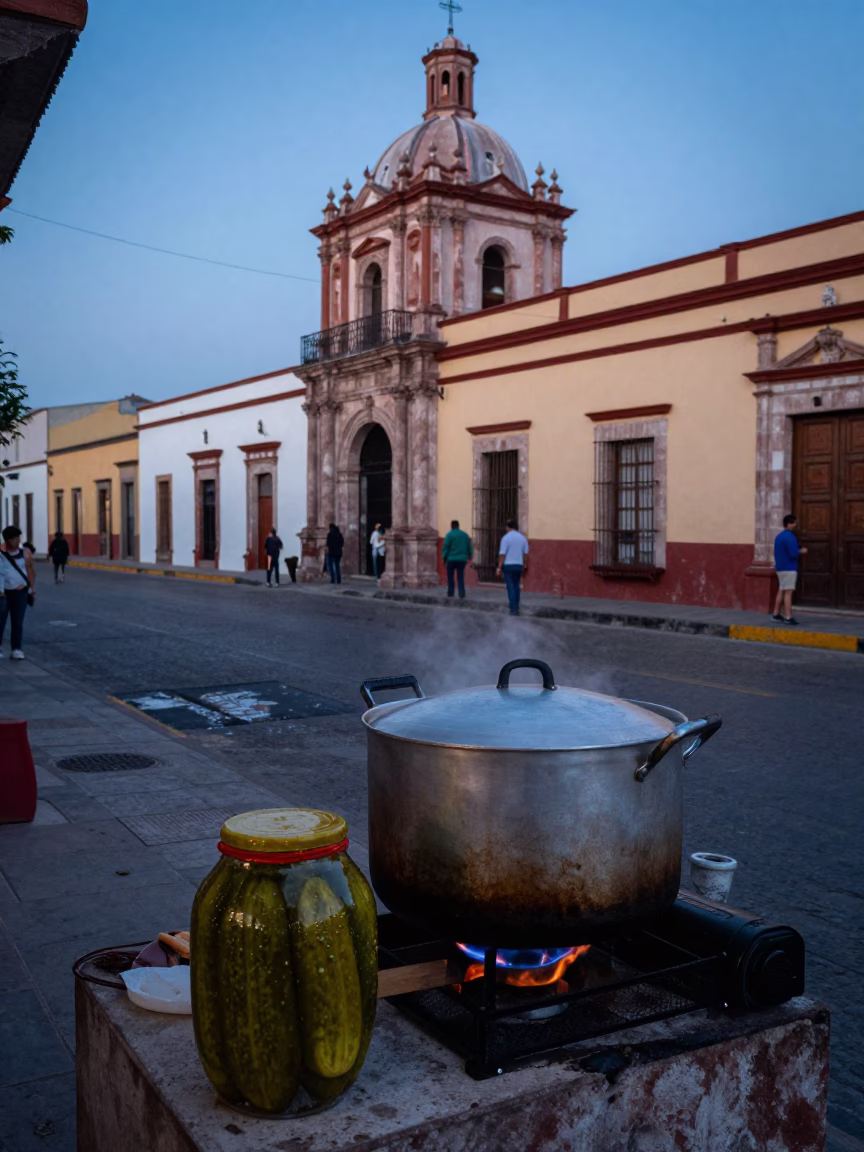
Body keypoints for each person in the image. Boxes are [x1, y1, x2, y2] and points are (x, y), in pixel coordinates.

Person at [0, 524, 35, 659]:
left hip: (20, 592)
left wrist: (32, 589)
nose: (16, 540)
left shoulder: (26, 553)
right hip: (3, 593)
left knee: (17, 621)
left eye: (17, 537)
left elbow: (30, 571)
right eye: (13, 538)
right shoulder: (1, 555)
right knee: (0, 621)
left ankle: (17, 649)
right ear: (7, 540)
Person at [773, 513, 807, 625]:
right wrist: (802, 551)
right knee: (788, 593)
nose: (795, 525)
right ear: (789, 524)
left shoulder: (778, 537)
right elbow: (793, 554)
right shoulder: (790, 537)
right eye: (794, 523)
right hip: (789, 568)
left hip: (780, 568)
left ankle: (776, 614)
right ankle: (788, 617)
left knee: (781, 590)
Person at [496, 518, 529, 616]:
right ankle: (517, 607)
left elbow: (502, 554)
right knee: (516, 586)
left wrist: (499, 567)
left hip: (508, 565)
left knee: (510, 586)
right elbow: (525, 553)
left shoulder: (505, 538)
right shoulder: (522, 538)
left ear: (508, 527)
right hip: (519, 565)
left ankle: (513, 608)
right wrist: (524, 564)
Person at [441, 519, 473, 600]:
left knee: (450, 576)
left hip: (451, 559)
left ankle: (450, 592)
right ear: (458, 526)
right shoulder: (465, 535)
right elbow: (469, 547)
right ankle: (461, 593)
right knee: (460, 576)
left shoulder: (449, 535)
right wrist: (469, 555)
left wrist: (444, 558)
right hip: (462, 559)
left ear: (452, 526)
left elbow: (446, 547)